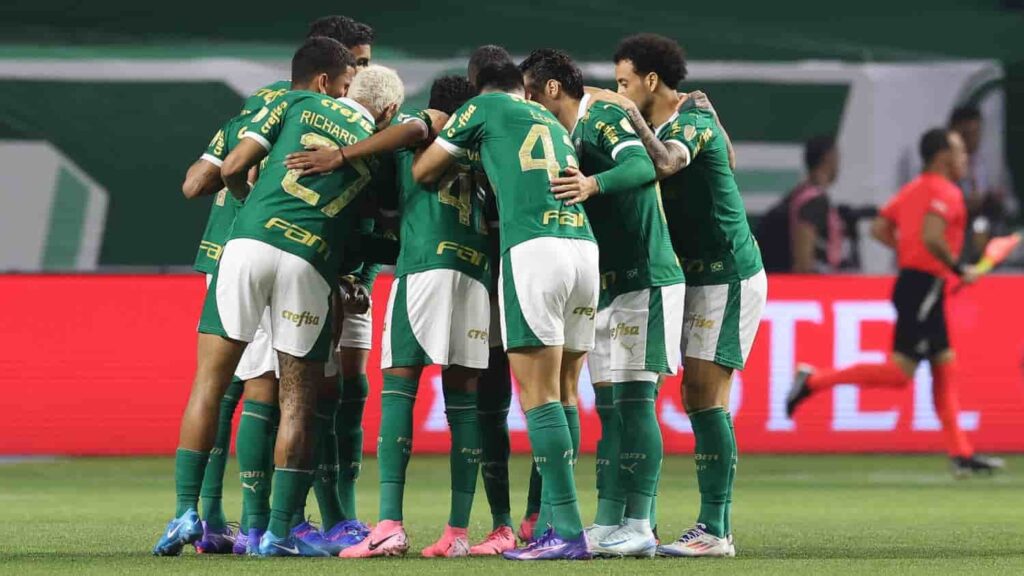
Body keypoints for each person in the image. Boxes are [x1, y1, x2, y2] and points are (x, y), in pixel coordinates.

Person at [152, 38, 361, 557]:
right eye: (349, 77)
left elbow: (222, 171)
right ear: (326, 81)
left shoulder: (278, 103)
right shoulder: (363, 128)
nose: (348, 89)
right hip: (308, 259)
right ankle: (275, 530)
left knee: (211, 386)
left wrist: (252, 210)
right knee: (295, 399)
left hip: (245, 248)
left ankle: (185, 514)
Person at [295, 76, 487, 559]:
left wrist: (344, 157)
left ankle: (389, 526)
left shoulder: (414, 130)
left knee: (400, 387)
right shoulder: (484, 149)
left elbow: (404, 139)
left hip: (423, 268)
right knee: (463, 400)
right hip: (476, 272)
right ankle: (457, 533)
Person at [412, 60, 597, 561]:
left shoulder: (481, 107)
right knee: (564, 390)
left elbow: (424, 170)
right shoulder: (551, 120)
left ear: (477, 85)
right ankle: (556, 522)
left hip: (535, 249)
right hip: (583, 248)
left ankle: (567, 532)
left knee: (536, 392)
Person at [592, 32, 766, 557]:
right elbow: (727, 160)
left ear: (650, 80)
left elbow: (667, 161)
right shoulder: (690, 118)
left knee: (704, 394)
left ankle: (715, 530)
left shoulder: (689, 122)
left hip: (728, 272)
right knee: (696, 396)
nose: (619, 91)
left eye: (624, 83)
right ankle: (711, 528)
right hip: (692, 275)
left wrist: (626, 111)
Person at [519, 49, 686, 558]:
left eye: (530, 94)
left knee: (637, 403)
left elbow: (641, 165)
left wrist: (593, 183)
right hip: (607, 282)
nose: (528, 105)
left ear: (551, 90)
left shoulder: (603, 114)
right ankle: (610, 519)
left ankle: (640, 521)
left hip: (647, 277)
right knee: (611, 410)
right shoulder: (562, 138)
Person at [786, 128, 1006, 477]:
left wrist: (909, 250)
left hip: (918, 284)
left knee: (944, 366)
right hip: (924, 287)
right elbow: (933, 237)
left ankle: (961, 453)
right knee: (901, 373)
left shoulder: (912, 190)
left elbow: (879, 229)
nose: (965, 158)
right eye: (960, 151)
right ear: (942, 156)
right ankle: (813, 380)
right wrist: (956, 267)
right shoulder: (945, 192)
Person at [790, 135, 844, 273]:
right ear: (828, 158)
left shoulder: (807, 195)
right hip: (816, 285)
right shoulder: (813, 200)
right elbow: (804, 261)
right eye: (837, 158)